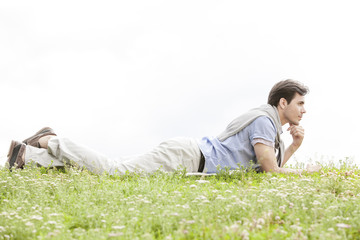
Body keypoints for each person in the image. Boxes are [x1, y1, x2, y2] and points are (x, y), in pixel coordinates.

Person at [6, 79, 321, 175]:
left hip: (188, 158)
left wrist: (292, 147)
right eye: (300, 103)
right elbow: (270, 170)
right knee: (116, 173)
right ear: (283, 103)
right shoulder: (265, 122)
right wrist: (307, 175)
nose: (303, 110)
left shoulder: (267, 124)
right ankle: (51, 140)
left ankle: (26, 158)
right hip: (186, 158)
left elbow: (268, 168)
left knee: (102, 176)